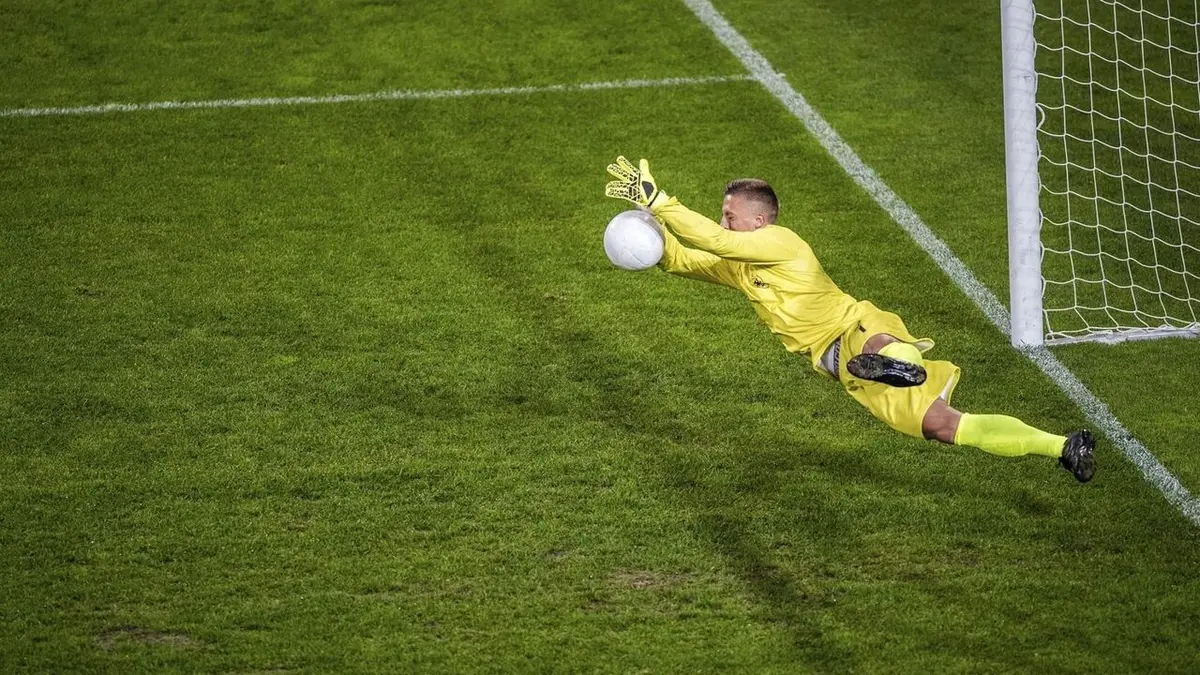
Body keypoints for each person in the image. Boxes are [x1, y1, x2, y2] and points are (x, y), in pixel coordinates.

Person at [603, 156, 1096, 482]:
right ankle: (1064, 447)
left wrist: (659, 201)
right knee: (944, 426)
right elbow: (688, 259)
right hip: (841, 366)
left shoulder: (781, 242)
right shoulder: (739, 267)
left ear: (759, 221)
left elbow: (715, 241)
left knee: (878, 343)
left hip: (854, 324)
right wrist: (651, 234)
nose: (722, 222)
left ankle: (902, 366)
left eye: (729, 215)